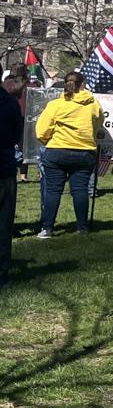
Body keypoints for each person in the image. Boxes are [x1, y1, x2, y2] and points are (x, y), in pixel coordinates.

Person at [34, 71, 101, 238]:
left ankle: (47, 228)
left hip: (57, 151)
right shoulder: (93, 104)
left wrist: (49, 141)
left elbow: (41, 131)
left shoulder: (55, 105)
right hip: (84, 152)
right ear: (83, 84)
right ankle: (82, 228)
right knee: (80, 191)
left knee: (53, 190)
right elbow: (98, 124)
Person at [0, 63, 21, 286]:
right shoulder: (10, 103)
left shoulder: (10, 102)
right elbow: (16, 134)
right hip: (4, 167)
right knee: (3, 225)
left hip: (4, 167)